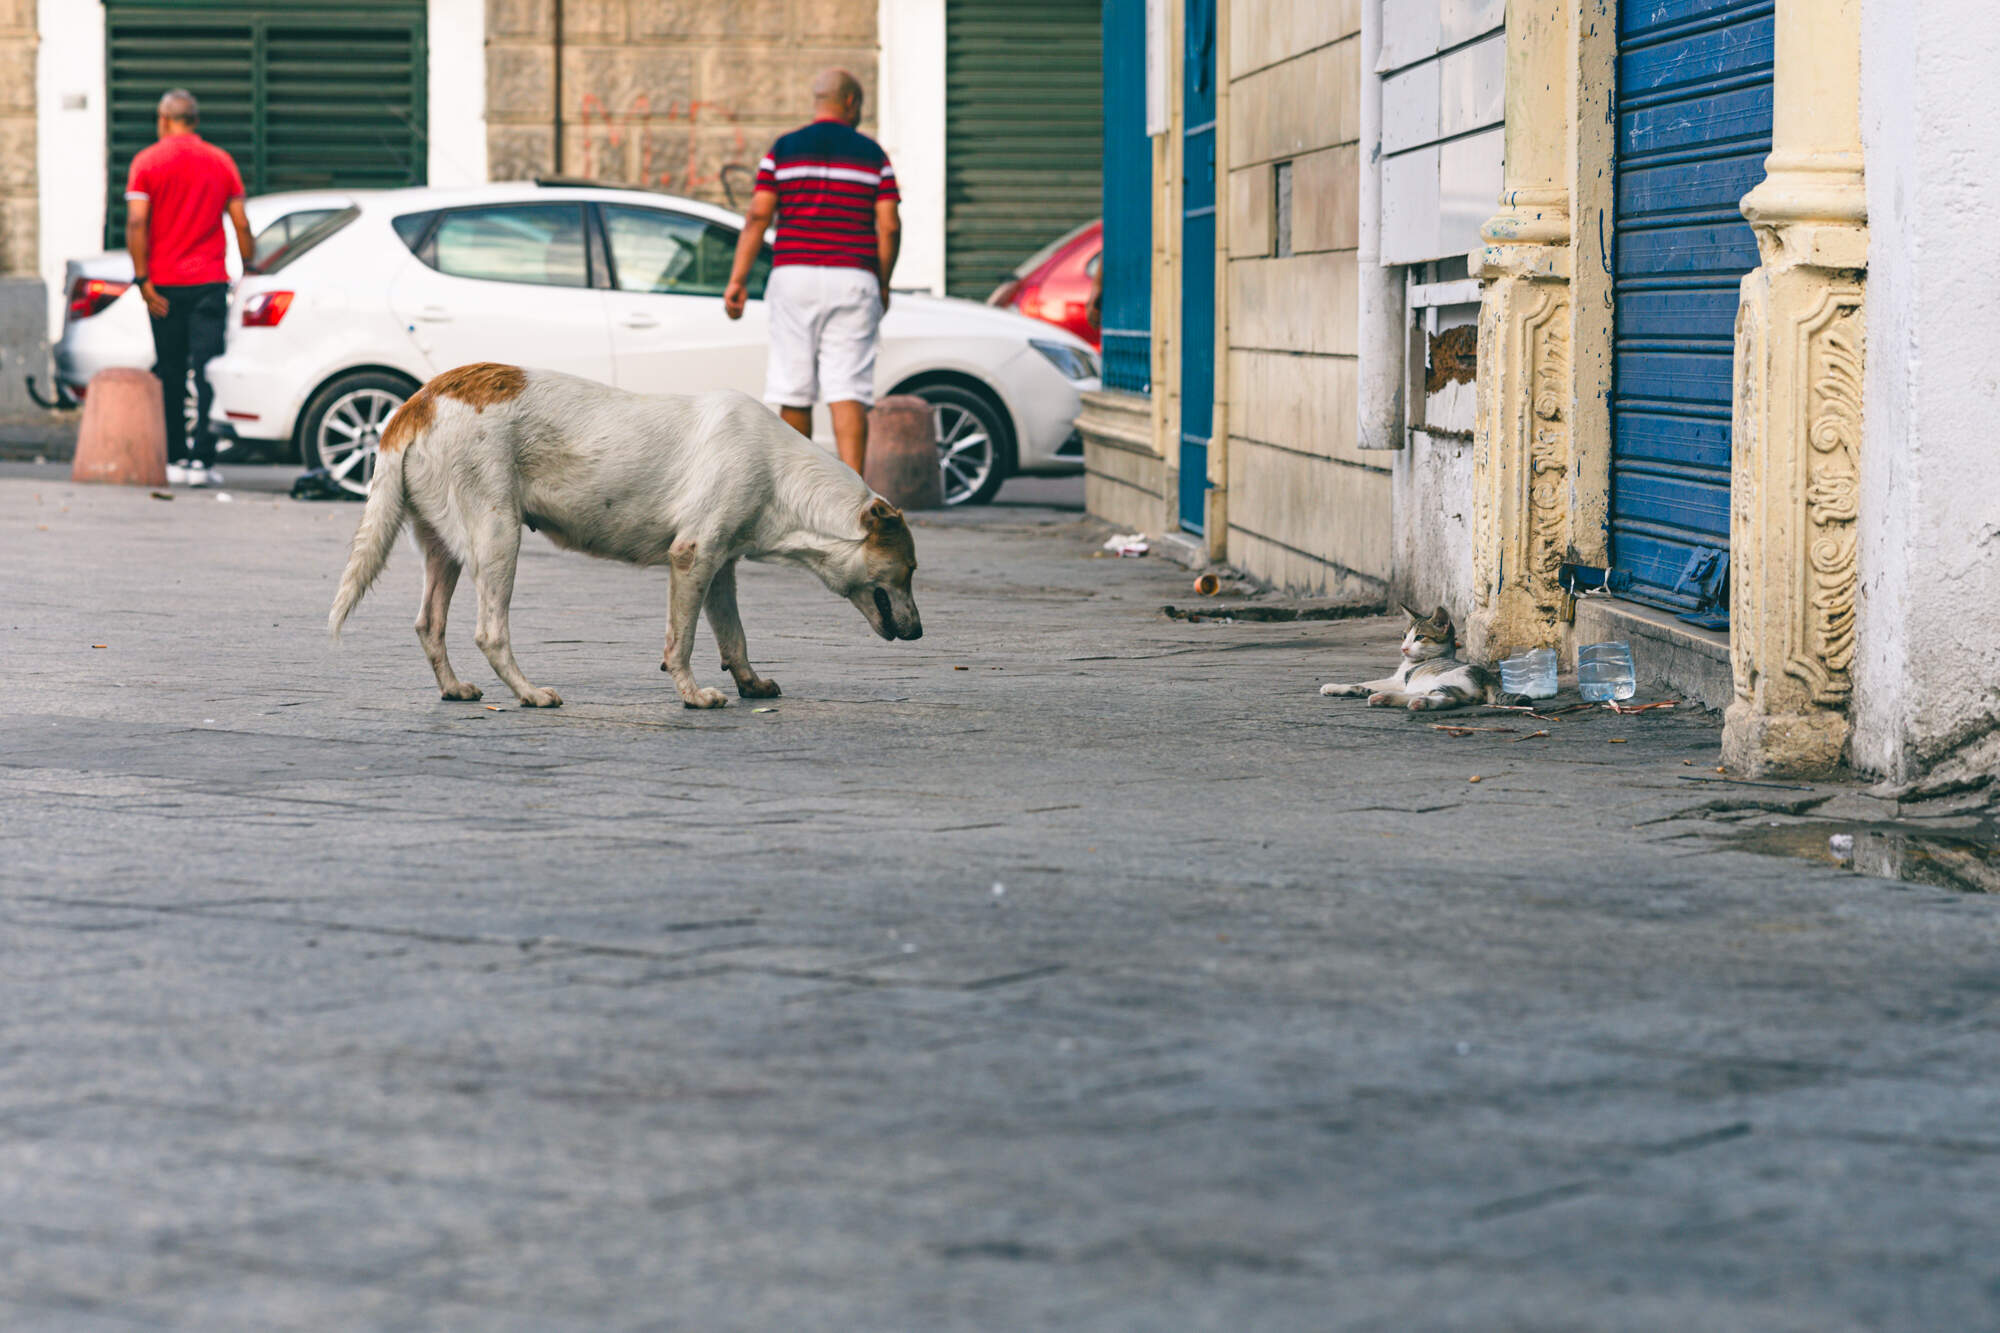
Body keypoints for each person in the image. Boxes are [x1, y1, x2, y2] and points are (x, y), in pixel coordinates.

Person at [723, 68, 901, 476]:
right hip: (854, 277)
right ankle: (856, 497)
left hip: (794, 276)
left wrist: (738, 280)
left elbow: (757, 215)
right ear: (852, 102)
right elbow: (888, 225)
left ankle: (800, 489)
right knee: (848, 390)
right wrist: (883, 280)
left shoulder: (784, 149)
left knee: (794, 388)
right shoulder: (872, 155)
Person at [125, 89, 253, 488]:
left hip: (162, 286)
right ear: (195, 120)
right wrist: (249, 266)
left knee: (171, 370)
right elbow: (241, 223)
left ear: (164, 120)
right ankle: (202, 458)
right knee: (207, 370)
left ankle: (175, 457)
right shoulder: (221, 161)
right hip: (209, 283)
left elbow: (135, 223)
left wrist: (143, 279)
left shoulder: (146, 162)